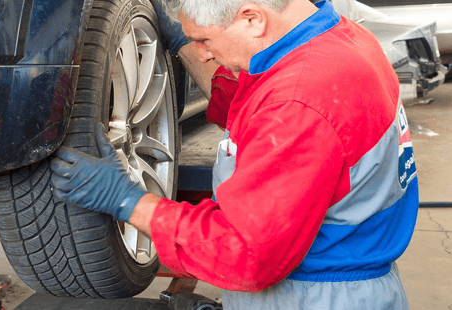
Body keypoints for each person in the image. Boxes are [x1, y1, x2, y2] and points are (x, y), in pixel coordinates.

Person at [49, 0, 419, 308]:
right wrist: (182, 39)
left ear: (252, 18)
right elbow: (252, 106)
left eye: (204, 40)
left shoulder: (301, 100)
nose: (203, 54)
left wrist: (129, 202)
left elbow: (247, 254)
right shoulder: (340, 39)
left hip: (316, 297)